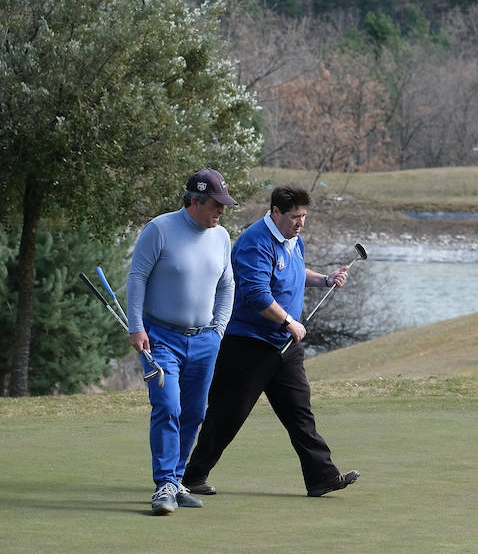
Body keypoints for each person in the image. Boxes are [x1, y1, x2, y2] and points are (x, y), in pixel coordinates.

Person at [183, 184, 360, 498]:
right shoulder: (255, 242)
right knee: (228, 413)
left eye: (304, 216)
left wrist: (324, 279)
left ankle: (321, 476)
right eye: (295, 216)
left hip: (284, 347)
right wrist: (290, 321)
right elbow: (256, 294)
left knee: (299, 412)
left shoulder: (293, 240)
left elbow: (292, 270)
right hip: (248, 344)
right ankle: (192, 476)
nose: (300, 223)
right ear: (275, 212)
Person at [127, 168, 238, 515]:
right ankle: (164, 486)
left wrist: (218, 329)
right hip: (160, 337)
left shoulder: (221, 237)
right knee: (168, 406)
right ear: (194, 201)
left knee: (192, 412)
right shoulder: (159, 229)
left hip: (204, 340)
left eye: (223, 206)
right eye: (215, 205)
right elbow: (137, 277)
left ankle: (176, 481)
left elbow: (227, 285)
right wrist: (135, 326)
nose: (220, 212)